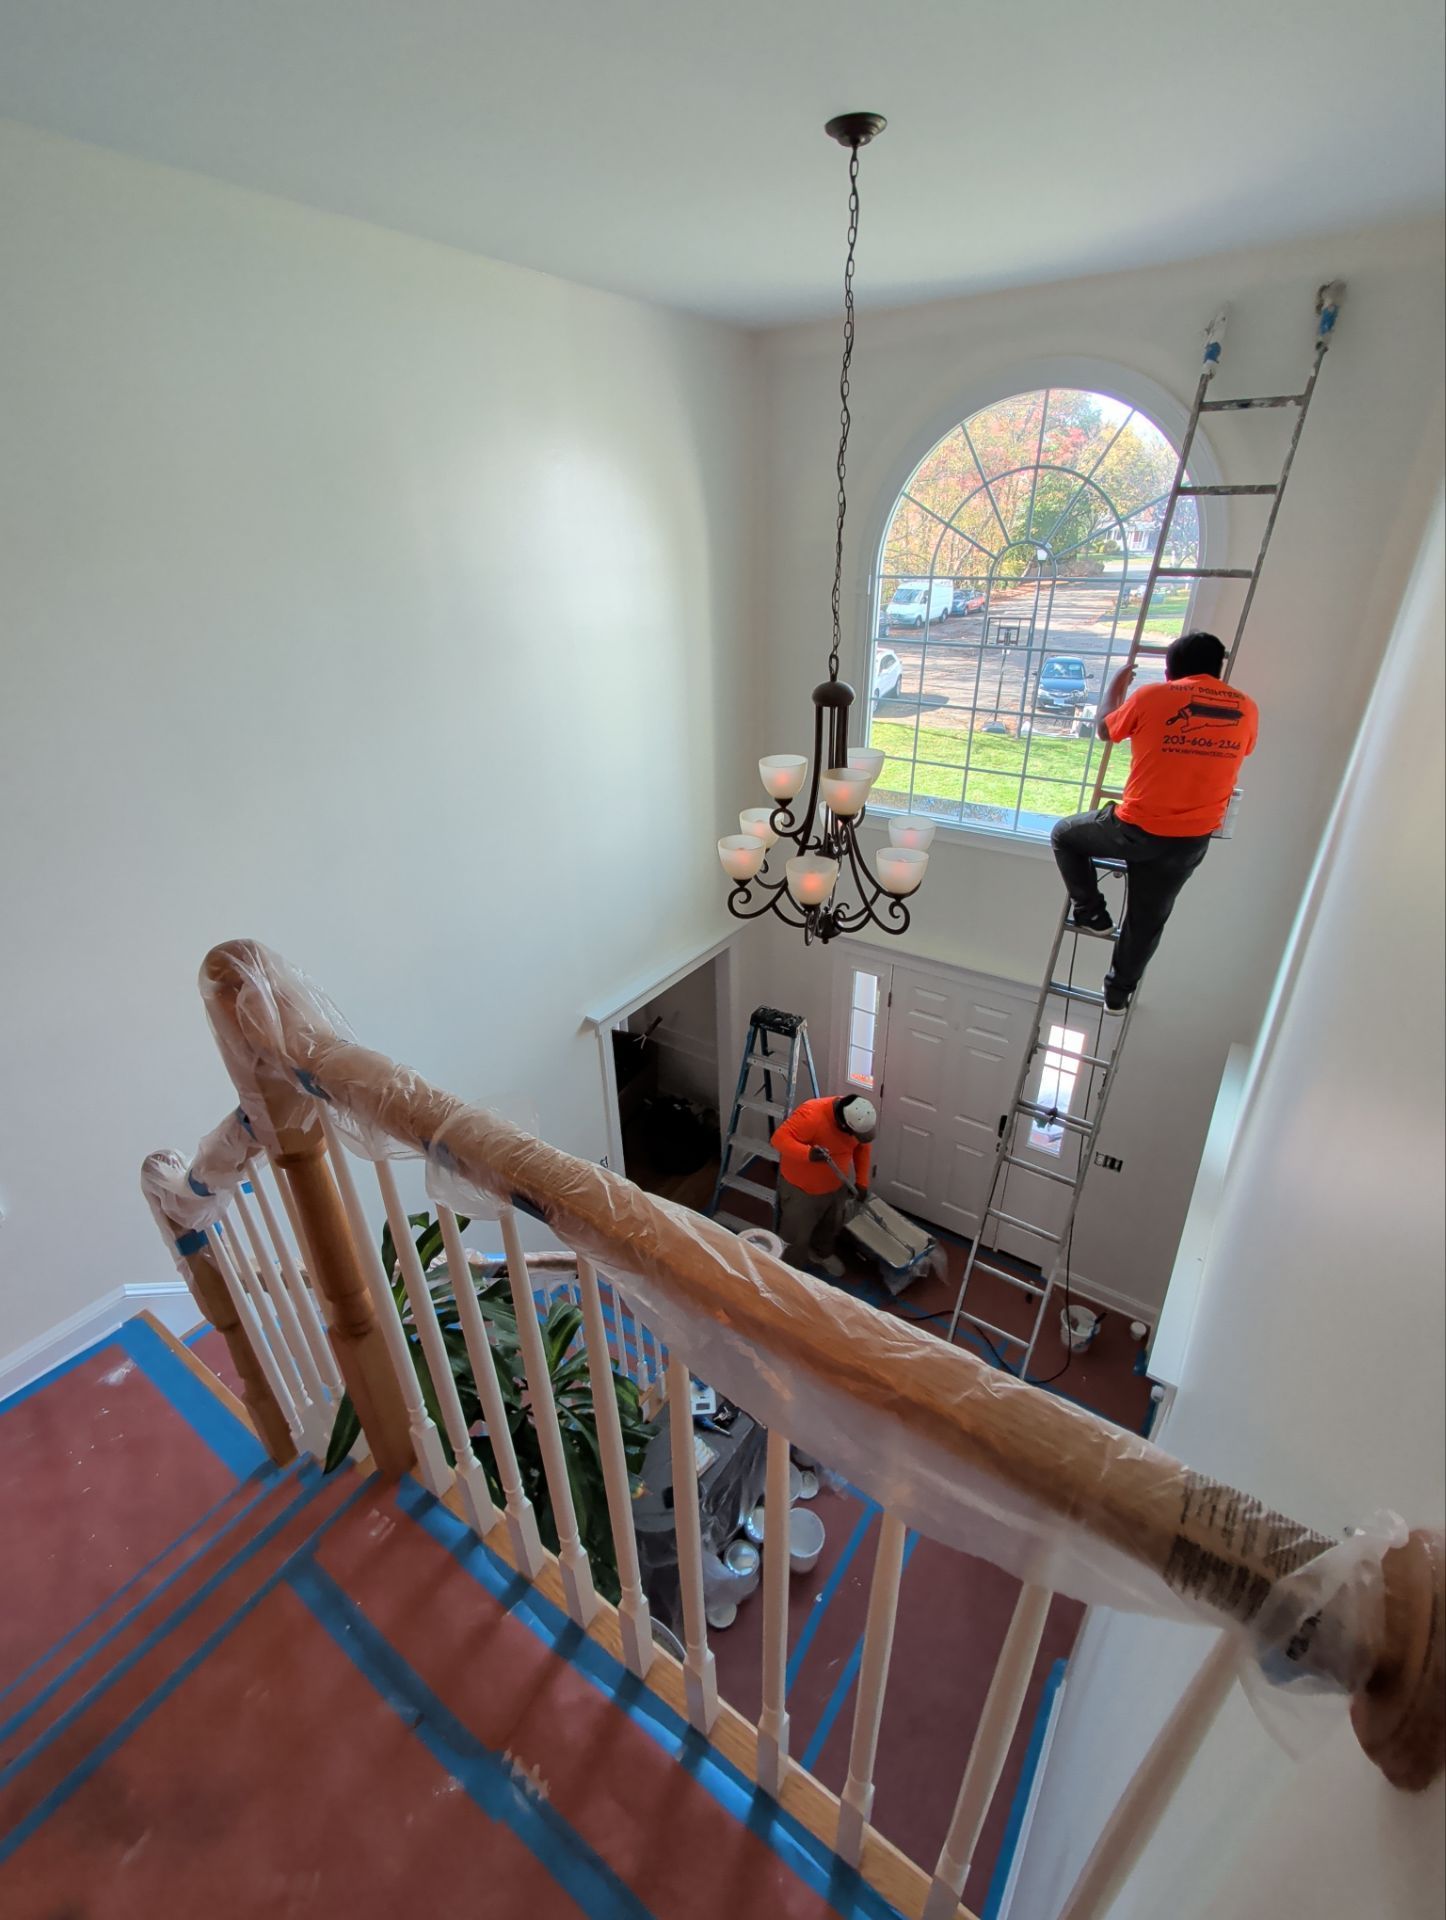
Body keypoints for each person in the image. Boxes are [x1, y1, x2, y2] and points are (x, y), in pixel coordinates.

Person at [1051, 630, 1258, 1013]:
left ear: (1169, 671)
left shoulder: (1153, 697)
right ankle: (1118, 993)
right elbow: (1243, 748)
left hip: (1136, 829)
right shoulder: (1246, 707)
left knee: (1065, 835)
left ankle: (1092, 913)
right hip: (1191, 839)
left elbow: (1104, 729)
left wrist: (1115, 687)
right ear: (1218, 667)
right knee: (1148, 919)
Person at [770, 1093, 876, 1276]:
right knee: (796, 1236)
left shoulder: (858, 1118)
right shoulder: (812, 1115)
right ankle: (788, 1273)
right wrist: (808, 1154)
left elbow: (862, 1148)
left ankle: (820, 1254)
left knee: (830, 1227)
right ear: (844, 1125)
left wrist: (862, 1181)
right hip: (802, 1191)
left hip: (836, 1188)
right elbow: (778, 1139)